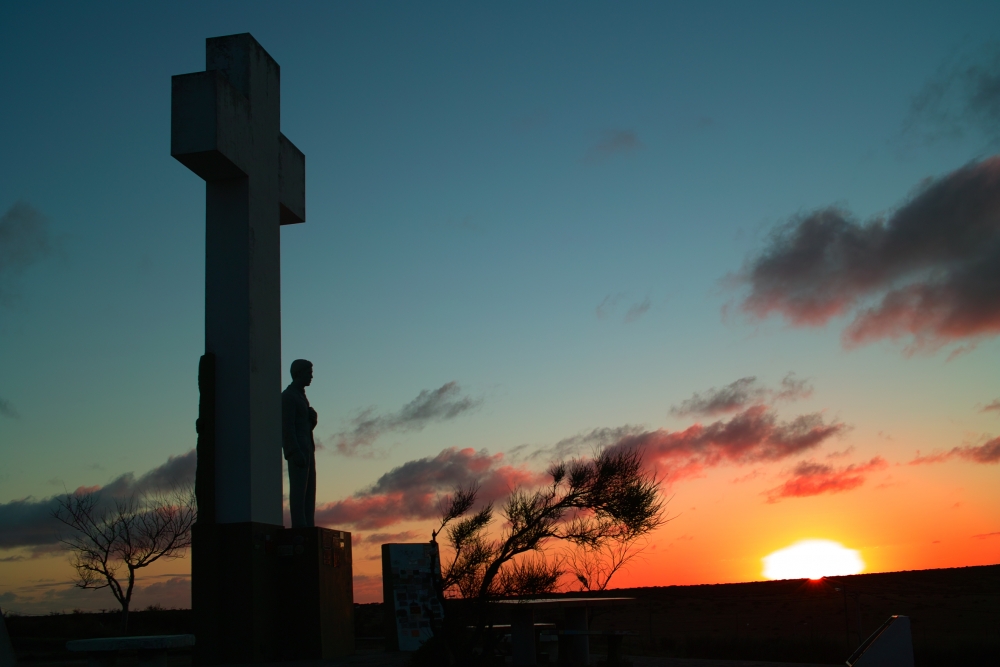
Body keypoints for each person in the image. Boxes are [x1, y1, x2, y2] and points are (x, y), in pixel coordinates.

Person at [282, 359, 317, 528]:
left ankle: (308, 526)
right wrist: (294, 451)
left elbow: (303, 425)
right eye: (308, 372)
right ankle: (300, 528)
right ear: (298, 373)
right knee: (299, 493)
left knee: (310, 494)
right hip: (299, 450)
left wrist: (312, 420)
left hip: (308, 448)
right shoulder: (288, 397)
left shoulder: (302, 396)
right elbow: (287, 427)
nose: (311, 376)